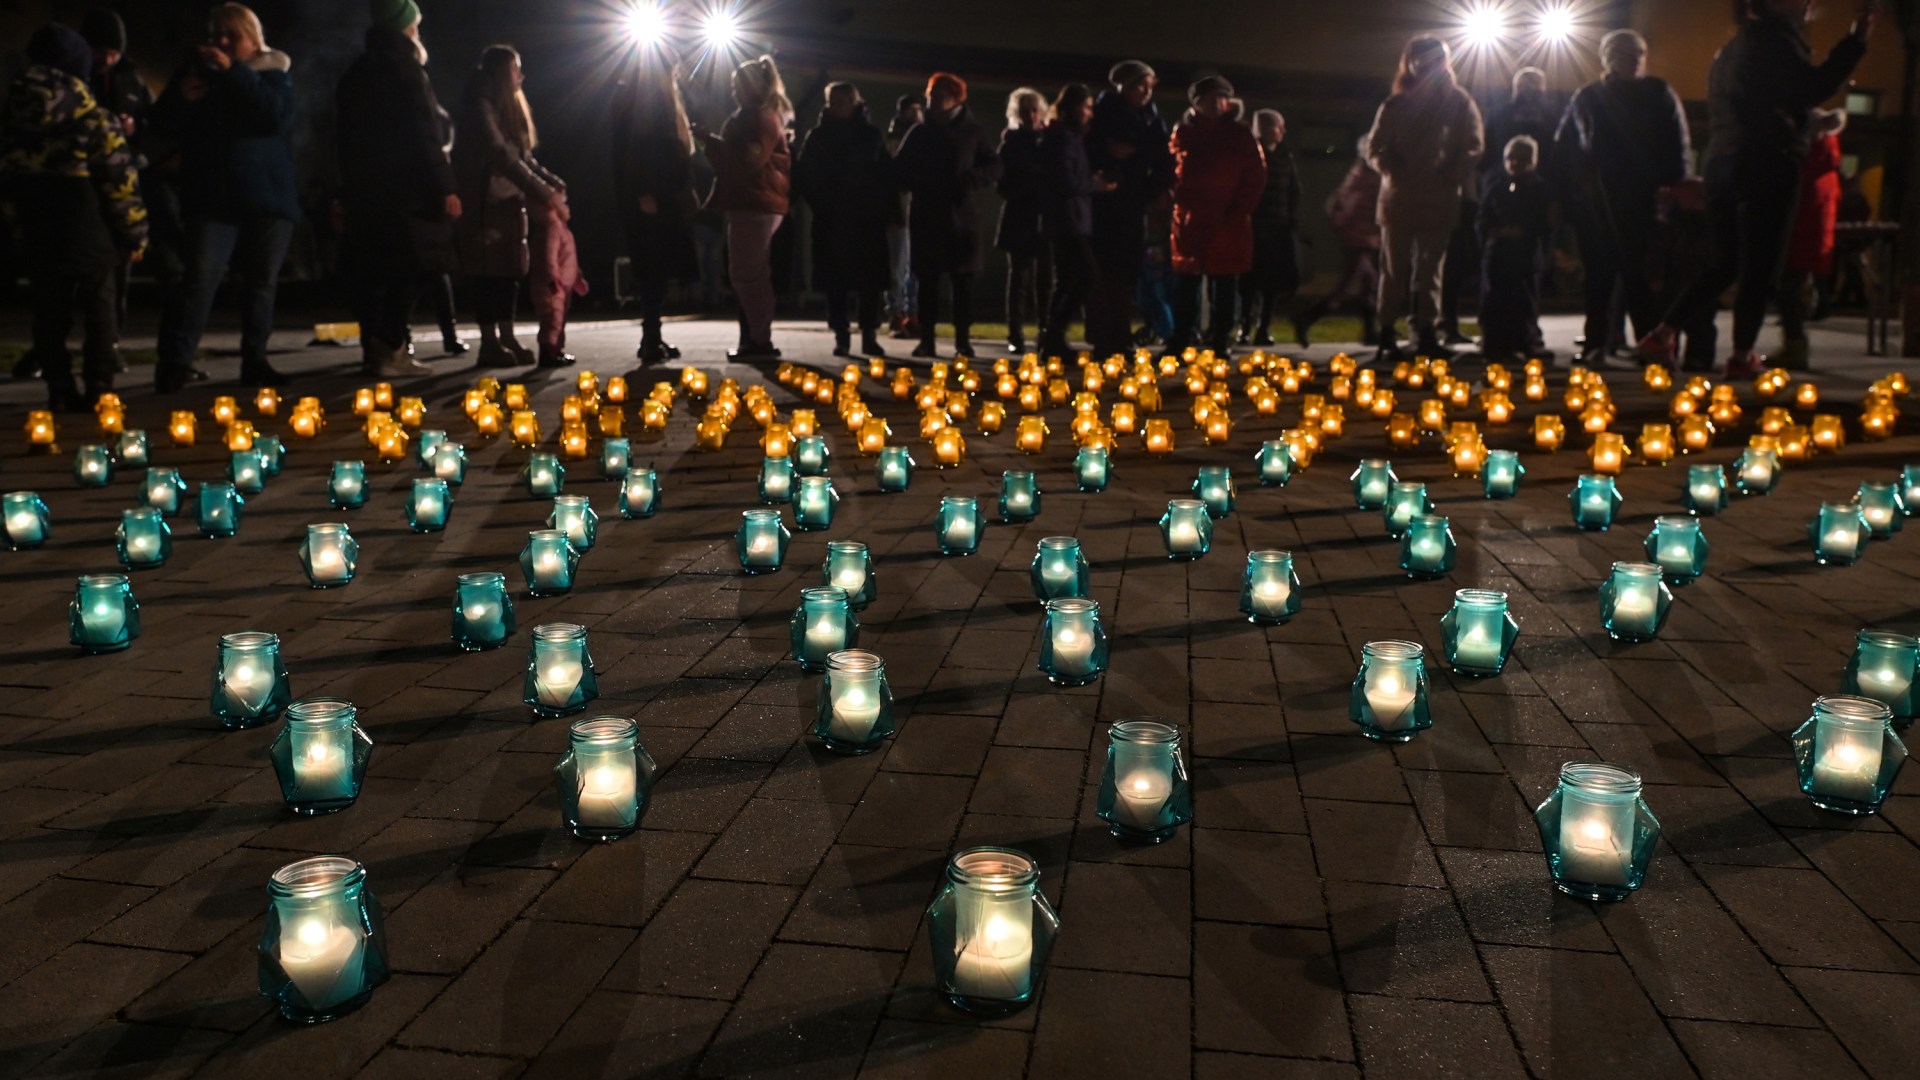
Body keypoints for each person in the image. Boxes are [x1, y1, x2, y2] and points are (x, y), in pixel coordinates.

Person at [1640, 0, 1876, 375]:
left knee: (1724, 262)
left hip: (1722, 161)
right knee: (1761, 264)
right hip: (1767, 162)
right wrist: (1858, 38)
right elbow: (1813, 87)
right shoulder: (1776, 42)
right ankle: (1741, 355)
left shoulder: (1732, 48)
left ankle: (1662, 333)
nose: (1808, 5)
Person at [148, 2, 297, 390]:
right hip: (212, 195)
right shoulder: (196, 76)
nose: (223, 43)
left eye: (233, 36)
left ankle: (255, 360)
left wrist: (234, 73)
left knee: (261, 283)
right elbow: (160, 124)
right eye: (217, 35)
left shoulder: (274, 74)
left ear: (252, 39)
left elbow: (272, 118)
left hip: (266, 194)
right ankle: (175, 363)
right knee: (199, 280)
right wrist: (181, 97)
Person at [0, 23, 147, 410]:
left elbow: (7, 183)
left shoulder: (13, 120)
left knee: (49, 312)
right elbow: (120, 183)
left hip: (39, 231)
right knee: (100, 311)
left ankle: (59, 389)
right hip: (90, 232)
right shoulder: (93, 119)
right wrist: (135, 234)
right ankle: (100, 387)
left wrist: (18, 231)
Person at [1554, 29, 1691, 366]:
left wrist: (1673, 185)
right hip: (1598, 201)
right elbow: (1566, 149)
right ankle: (1598, 340)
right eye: (1622, 55)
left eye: (1635, 55)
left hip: (1644, 199)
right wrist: (1567, 194)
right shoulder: (1588, 97)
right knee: (1599, 276)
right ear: (1608, 59)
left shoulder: (1657, 92)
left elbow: (1676, 142)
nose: (1629, 62)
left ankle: (1649, 342)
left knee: (1642, 276)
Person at [336, 0, 456, 378]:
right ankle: (390, 347)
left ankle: (378, 350)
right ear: (406, 28)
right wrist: (445, 187)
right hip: (408, 190)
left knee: (374, 272)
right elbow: (424, 134)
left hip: (365, 189)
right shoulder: (407, 69)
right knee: (419, 264)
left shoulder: (356, 73)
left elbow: (341, 138)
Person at [1365, 35, 1483, 363]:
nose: (1424, 64)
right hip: (1399, 198)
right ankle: (1387, 331)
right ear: (1409, 62)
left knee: (1431, 270)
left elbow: (1473, 145)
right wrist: (1391, 170)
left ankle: (1427, 332)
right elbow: (1374, 148)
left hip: (1439, 197)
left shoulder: (1459, 102)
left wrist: (1451, 175)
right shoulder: (1396, 104)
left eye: (1432, 58)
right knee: (1393, 269)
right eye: (1418, 58)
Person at [454, 44, 566, 368]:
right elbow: (500, 155)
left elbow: (523, 156)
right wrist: (544, 193)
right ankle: (489, 342)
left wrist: (552, 182)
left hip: (508, 200)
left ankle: (507, 336)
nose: (522, 76)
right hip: (484, 200)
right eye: (517, 68)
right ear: (503, 71)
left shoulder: (505, 106)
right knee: (487, 273)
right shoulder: (480, 105)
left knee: (509, 272)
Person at [894, 71, 1000, 359]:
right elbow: (899, 169)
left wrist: (970, 180)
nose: (931, 102)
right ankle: (926, 339)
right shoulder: (919, 132)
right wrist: (916, 182)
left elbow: (993, 165)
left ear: (954, 99)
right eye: (929, 96)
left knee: (962, 283)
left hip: (962, 216)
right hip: (928, 214)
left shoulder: (972, 132)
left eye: (938, 97)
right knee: (927, 282)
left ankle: (962, 340)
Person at [794, 82, 896, 358]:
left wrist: (885, 209)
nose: (838, 106)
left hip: (866, 219)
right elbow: (807, 176)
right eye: (834, 101)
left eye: (843, 101)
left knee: (869, 282)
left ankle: (869, 334)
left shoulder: (870, 135)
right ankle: (841, 335)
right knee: (835, 280)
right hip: (832, 218)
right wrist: (823, 203)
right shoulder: (818, 137)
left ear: (854, 103)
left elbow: (885, 174)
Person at [1167, 75, 1266, 355]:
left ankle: (1221, 338)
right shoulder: (1183, 133)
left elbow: (1255, 176)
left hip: (1227, 221)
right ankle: (1182, 336)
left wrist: (1238, 210)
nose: (1216, 103)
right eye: (1209, 99)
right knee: (1186, 284)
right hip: (1190, 221)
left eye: (1221, 98)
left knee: (1224, 283)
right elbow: (1171, 172)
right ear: (1196, 104)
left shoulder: (1240, 135)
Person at [703, 55, 792, 361]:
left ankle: (760, 341)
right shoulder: (758, 117)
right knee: (752, 275)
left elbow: (747, 163)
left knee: (747, 276)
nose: (732, 91)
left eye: (736, 85)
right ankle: (756, 339)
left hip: (754, 204)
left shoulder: (757, 119)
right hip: (756, 203)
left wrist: (710, 143)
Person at [612, 58, 698, 365]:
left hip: (658, 194)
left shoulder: (648, 99)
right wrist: (645, 191)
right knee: (651, 270)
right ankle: (650, 338)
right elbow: (638, 149)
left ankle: (653, 336)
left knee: (655, 271)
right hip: (652, 196)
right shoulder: (646, 101)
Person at [1086, 59, 1172, 359]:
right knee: (1102, 273)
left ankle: (1120, 336)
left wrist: (1150, 189)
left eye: (1149, 87)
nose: (1145, 93)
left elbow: (1162, 159)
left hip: (1134, 203)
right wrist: (1111, 163)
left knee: (1126, 274)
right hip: (1103, 202)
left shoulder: (1151, 118)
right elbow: (1090, 150)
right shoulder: (1101, 114)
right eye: (1139, 85)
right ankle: (1101, 337)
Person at [79, 9, 151, 354]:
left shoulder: (132, 81)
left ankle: (110, 344)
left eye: (113, 52)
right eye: (100, 51)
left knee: (118, 274)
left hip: (121, 181)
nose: (106, 59)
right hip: (83, 185)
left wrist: (135, 130)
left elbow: (153, 123)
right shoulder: (76, 79)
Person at [1037, 83, 1113, 358]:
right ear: (1073, 108)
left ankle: (1051, 340)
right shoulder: (1063, 139)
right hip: (1069, 220)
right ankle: (1053, 336)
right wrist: (1094, 185)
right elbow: (1065, 180)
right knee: (1085, 277)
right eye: (1087, 107)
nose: (1090, 113)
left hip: (1069, 219)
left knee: (1067, 280)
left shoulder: (1068, 138)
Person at [1294, 135, 1382, 348]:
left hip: (1359, 236)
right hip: (1359, 237)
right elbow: (1358, 207)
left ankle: (1370, 332)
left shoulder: (1358, 173)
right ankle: (1307, 318)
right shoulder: (1369, 177)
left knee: (1369, 283)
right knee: (1348, 286)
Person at [1777, 108, 1845, 365]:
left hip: (1798, 240)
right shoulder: (1826, 166)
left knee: (1788, 293)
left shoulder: (1810, 167)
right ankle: (1795, 344)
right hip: (1810, 241)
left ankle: (1795, 346)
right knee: (1791, 292)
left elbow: (1800, 206)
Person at [1478, 135, 1551, 362]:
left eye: (1521, 159)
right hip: (1498, 253)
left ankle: (1523, 340)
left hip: (1525, 253)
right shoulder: (1496, 185)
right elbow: (1483, 217)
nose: (1515, 164)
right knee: (1494, 298)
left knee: (1524, 299)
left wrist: (1525, 232)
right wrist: (1494, 232)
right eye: (1511, 159)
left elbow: (1542, 221)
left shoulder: (1538, 188)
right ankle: (1495, 342)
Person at [995, 87, 1051, 353]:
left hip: (1043, 213)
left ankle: (1045, 329)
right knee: (1019, 276)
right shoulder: (1011, 143)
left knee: (1045, 277)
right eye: (1026, 110)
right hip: (1021, 213)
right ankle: (1015, 332)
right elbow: (1001, 182)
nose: (1031, 115)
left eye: (1034, 109)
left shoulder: (1048, 141)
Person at [1240, 108, 1300, 347]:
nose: (1282, 131)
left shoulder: (1285, 157)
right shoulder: (1251, 155)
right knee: (1248, 282)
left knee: (1272, 283)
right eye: (1277, 126)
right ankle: (1245, 327)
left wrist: (1290, 218)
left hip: (1278, 228)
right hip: (1253, 227)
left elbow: (1294, 189)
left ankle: (1264, 327)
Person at [884, 93, 923, 340]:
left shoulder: (923, 138)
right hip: (897, 210)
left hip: (916, 210)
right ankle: (896, 312)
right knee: (897, 266)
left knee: (914, 266)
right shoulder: (893, 140)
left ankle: (913, 312)